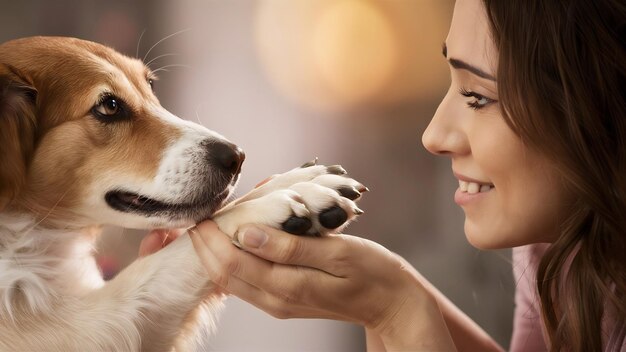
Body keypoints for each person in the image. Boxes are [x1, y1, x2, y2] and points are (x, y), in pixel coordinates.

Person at [142, 0, 626, 350]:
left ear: (598, 103)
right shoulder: (564, 252)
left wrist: (397, 313)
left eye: (478, 96)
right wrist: (385, 288)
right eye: (451, 84)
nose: (434, 136)